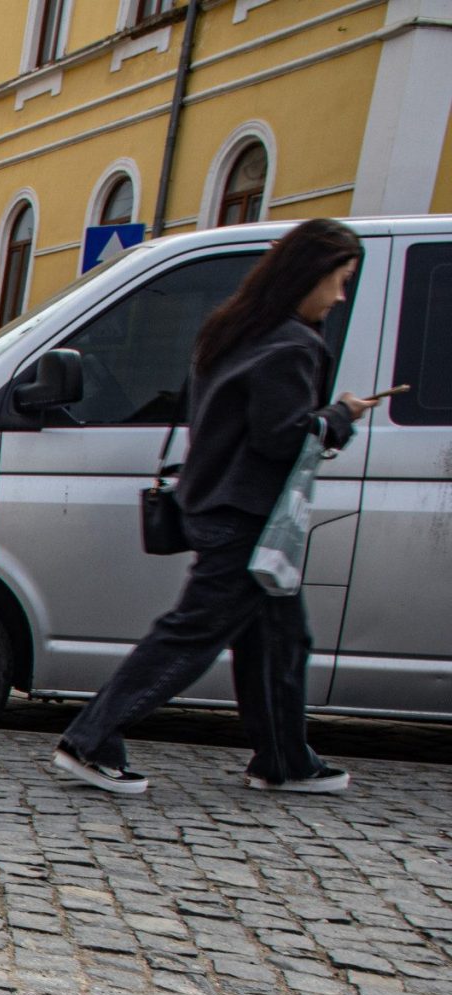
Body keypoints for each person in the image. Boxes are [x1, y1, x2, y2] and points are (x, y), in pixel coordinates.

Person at [53, 218, 382, 797]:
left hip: (214, 502)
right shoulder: (292, 344)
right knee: (191, 636)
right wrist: (339, 416)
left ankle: (284, 759)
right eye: (340, 279)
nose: (340, 296)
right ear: (310, 274)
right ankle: (90, 740)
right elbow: (281, 437)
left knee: (280, 639)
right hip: (247, 516)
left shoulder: (235, 327)